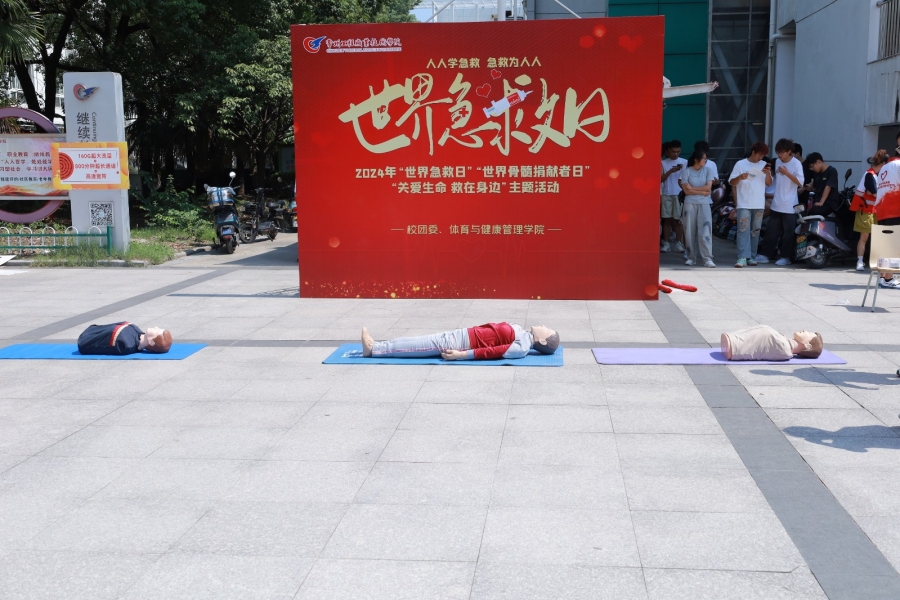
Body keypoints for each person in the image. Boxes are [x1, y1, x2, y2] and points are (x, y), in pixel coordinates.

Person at [361, 323, 559, 360]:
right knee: (419, 341)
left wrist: (461, 355)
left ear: (542, 340)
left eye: (547, 329)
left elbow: (492, 352)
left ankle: (374, 348)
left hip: (462, 344)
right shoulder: (523, 335)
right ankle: (379, 345)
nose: (544, 325)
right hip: (463, 335)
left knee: (418, 346)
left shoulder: (522, 347)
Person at [758, 138, 804, 266]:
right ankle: (765, 254)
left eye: (782, 152)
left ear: (789, 151)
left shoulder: (796, 164)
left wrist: (787, 173)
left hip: (790, 205)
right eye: (778, 152)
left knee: (788, 233)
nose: (779, 155)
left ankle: (785, 257)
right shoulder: (777, 161)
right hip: (776, 203)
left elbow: (800, 183)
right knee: (771, 231)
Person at [729, 142, 773, 268]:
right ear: (753, 152)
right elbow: (731, 182)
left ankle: (751, 256)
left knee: (755, 231)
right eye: (759, 154)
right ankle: (742, 257)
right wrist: (740, 177)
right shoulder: (740, 164)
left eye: (763, 155)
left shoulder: (764, 165)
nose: (760, 157)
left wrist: (767, 173)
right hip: (744, 203)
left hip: (758, 203)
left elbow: (769, 183)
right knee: (743, 229)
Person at [851, 150, 889, 271]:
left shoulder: (875, 175)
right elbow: (875, 193)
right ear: (883, 164)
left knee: (875, 238)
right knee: (864, 237)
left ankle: (875, 261)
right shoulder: (870, 175)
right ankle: (860, 261)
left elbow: (875, 193)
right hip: (866, 211)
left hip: (874, 211)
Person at [679, 149, 716, 267]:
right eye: (703, 158)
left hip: (704, 203)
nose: (705, 160)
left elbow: (708, 187)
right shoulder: (686, 171)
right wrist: (702, 192)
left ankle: (707, 258)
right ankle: (691, 257)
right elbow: (686, 191)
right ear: (696, 159)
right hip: (689, 203)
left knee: (705, 230)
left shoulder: (708, 170)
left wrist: (692, 189)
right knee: (689, 231)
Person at [873, 142, 900, 288]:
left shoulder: (884, 168)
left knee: (886, 247)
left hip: (882, 211)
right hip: (895, 210)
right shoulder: (898, 165)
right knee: (894, 247)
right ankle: (889, 279)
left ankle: (883, 278)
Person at [721, 326, 823, 361]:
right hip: (732, 341)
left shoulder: (785, 350)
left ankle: (734, 341)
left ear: (808, 346)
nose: (805, 330)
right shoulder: (783, 343)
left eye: (809, 333)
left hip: (733, 346)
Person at [77, 322, 173, 355]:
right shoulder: (135, 329)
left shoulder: (125, 343)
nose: (156, 327)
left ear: (151, 342)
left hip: (86, 339)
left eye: (157, 331)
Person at [660, 140, 687, 253]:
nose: (676, 154)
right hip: (667, 193)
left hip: (679, 195)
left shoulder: (684, 162)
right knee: (666, 220)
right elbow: (660, 179)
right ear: (668, 151)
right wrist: (671, 171)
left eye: (678, 151)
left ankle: (679, 243)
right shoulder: (663, 163)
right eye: (673, 151)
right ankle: (666, 243)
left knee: (678, 221)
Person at [805, 153, 841, 217]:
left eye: (812, 166)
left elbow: (828, 187)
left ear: (818, 162)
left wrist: (821, 202)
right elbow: (817, 188)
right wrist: (810, 187)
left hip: (829, 204)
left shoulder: (831, 171)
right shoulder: (817, 174)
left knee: (814, 212)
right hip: (817, 203)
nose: (812, 169)